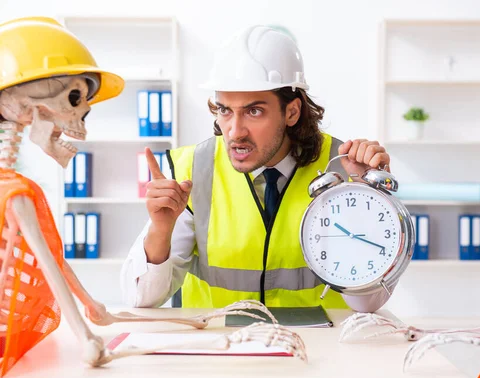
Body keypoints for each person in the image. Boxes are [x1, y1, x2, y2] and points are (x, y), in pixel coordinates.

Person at [120, 25, 396, 312]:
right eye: (225, 110)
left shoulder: (343, 167)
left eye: (254, 111)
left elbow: (367, 303)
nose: (234, 132)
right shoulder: (194, 169)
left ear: (292, 112)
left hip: (318, 350)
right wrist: (161, 230)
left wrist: (369, 202)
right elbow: (141, 299)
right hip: (220, 350)